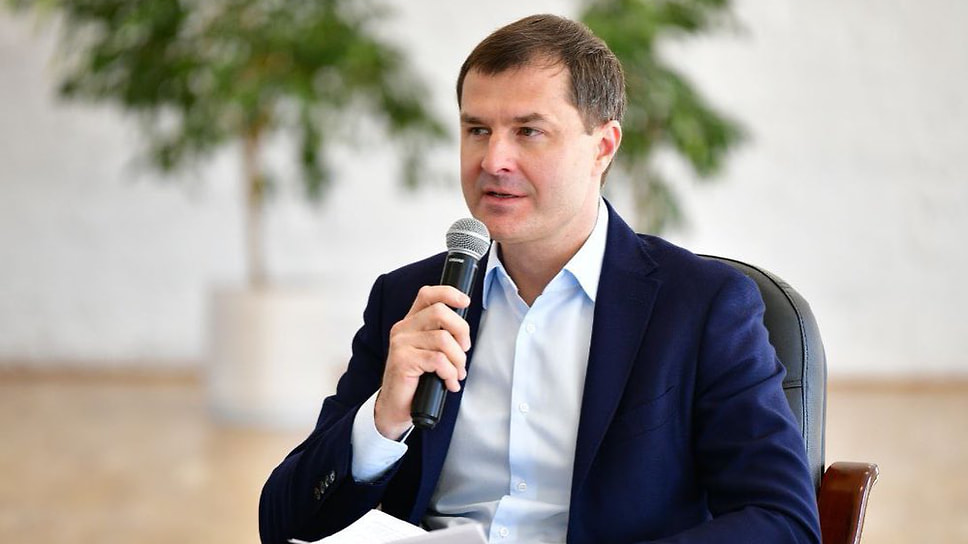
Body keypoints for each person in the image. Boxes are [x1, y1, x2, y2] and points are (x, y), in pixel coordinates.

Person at [259, 13, 821, 544]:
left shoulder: (701, 305)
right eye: (477, 129)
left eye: (528, 131)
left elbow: (783, 523)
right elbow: (282, 522)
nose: (493, 160)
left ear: (603, 147)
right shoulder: (410, 300)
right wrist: (383, 419)